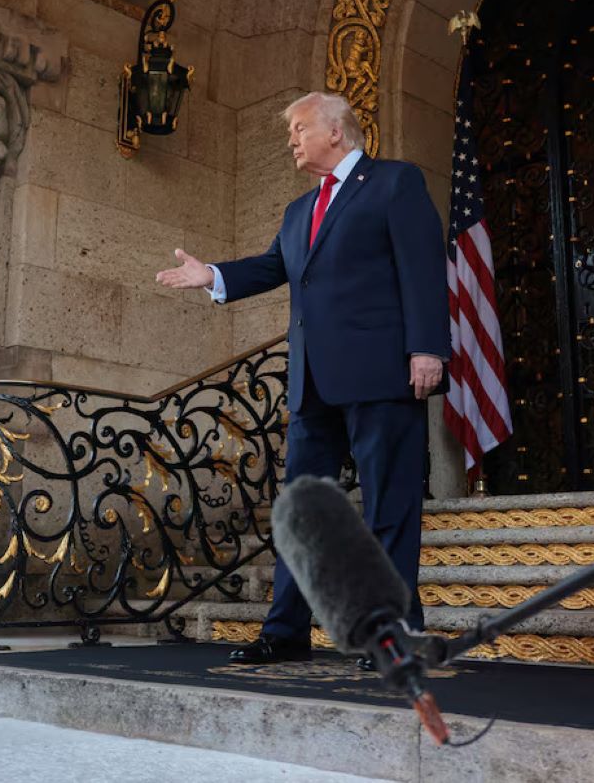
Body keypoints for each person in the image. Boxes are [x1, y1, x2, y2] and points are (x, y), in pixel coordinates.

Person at [156, 91, 450, 665]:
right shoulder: (298, 211)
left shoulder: (394, 182)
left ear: (335, 131)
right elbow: (274, 267)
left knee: (388, 507)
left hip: (381, 373)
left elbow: (422, 267)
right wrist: (212, 274)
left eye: (298, 128)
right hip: (312, 382)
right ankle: (286, 632)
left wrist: (427, 349)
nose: (291, 139)